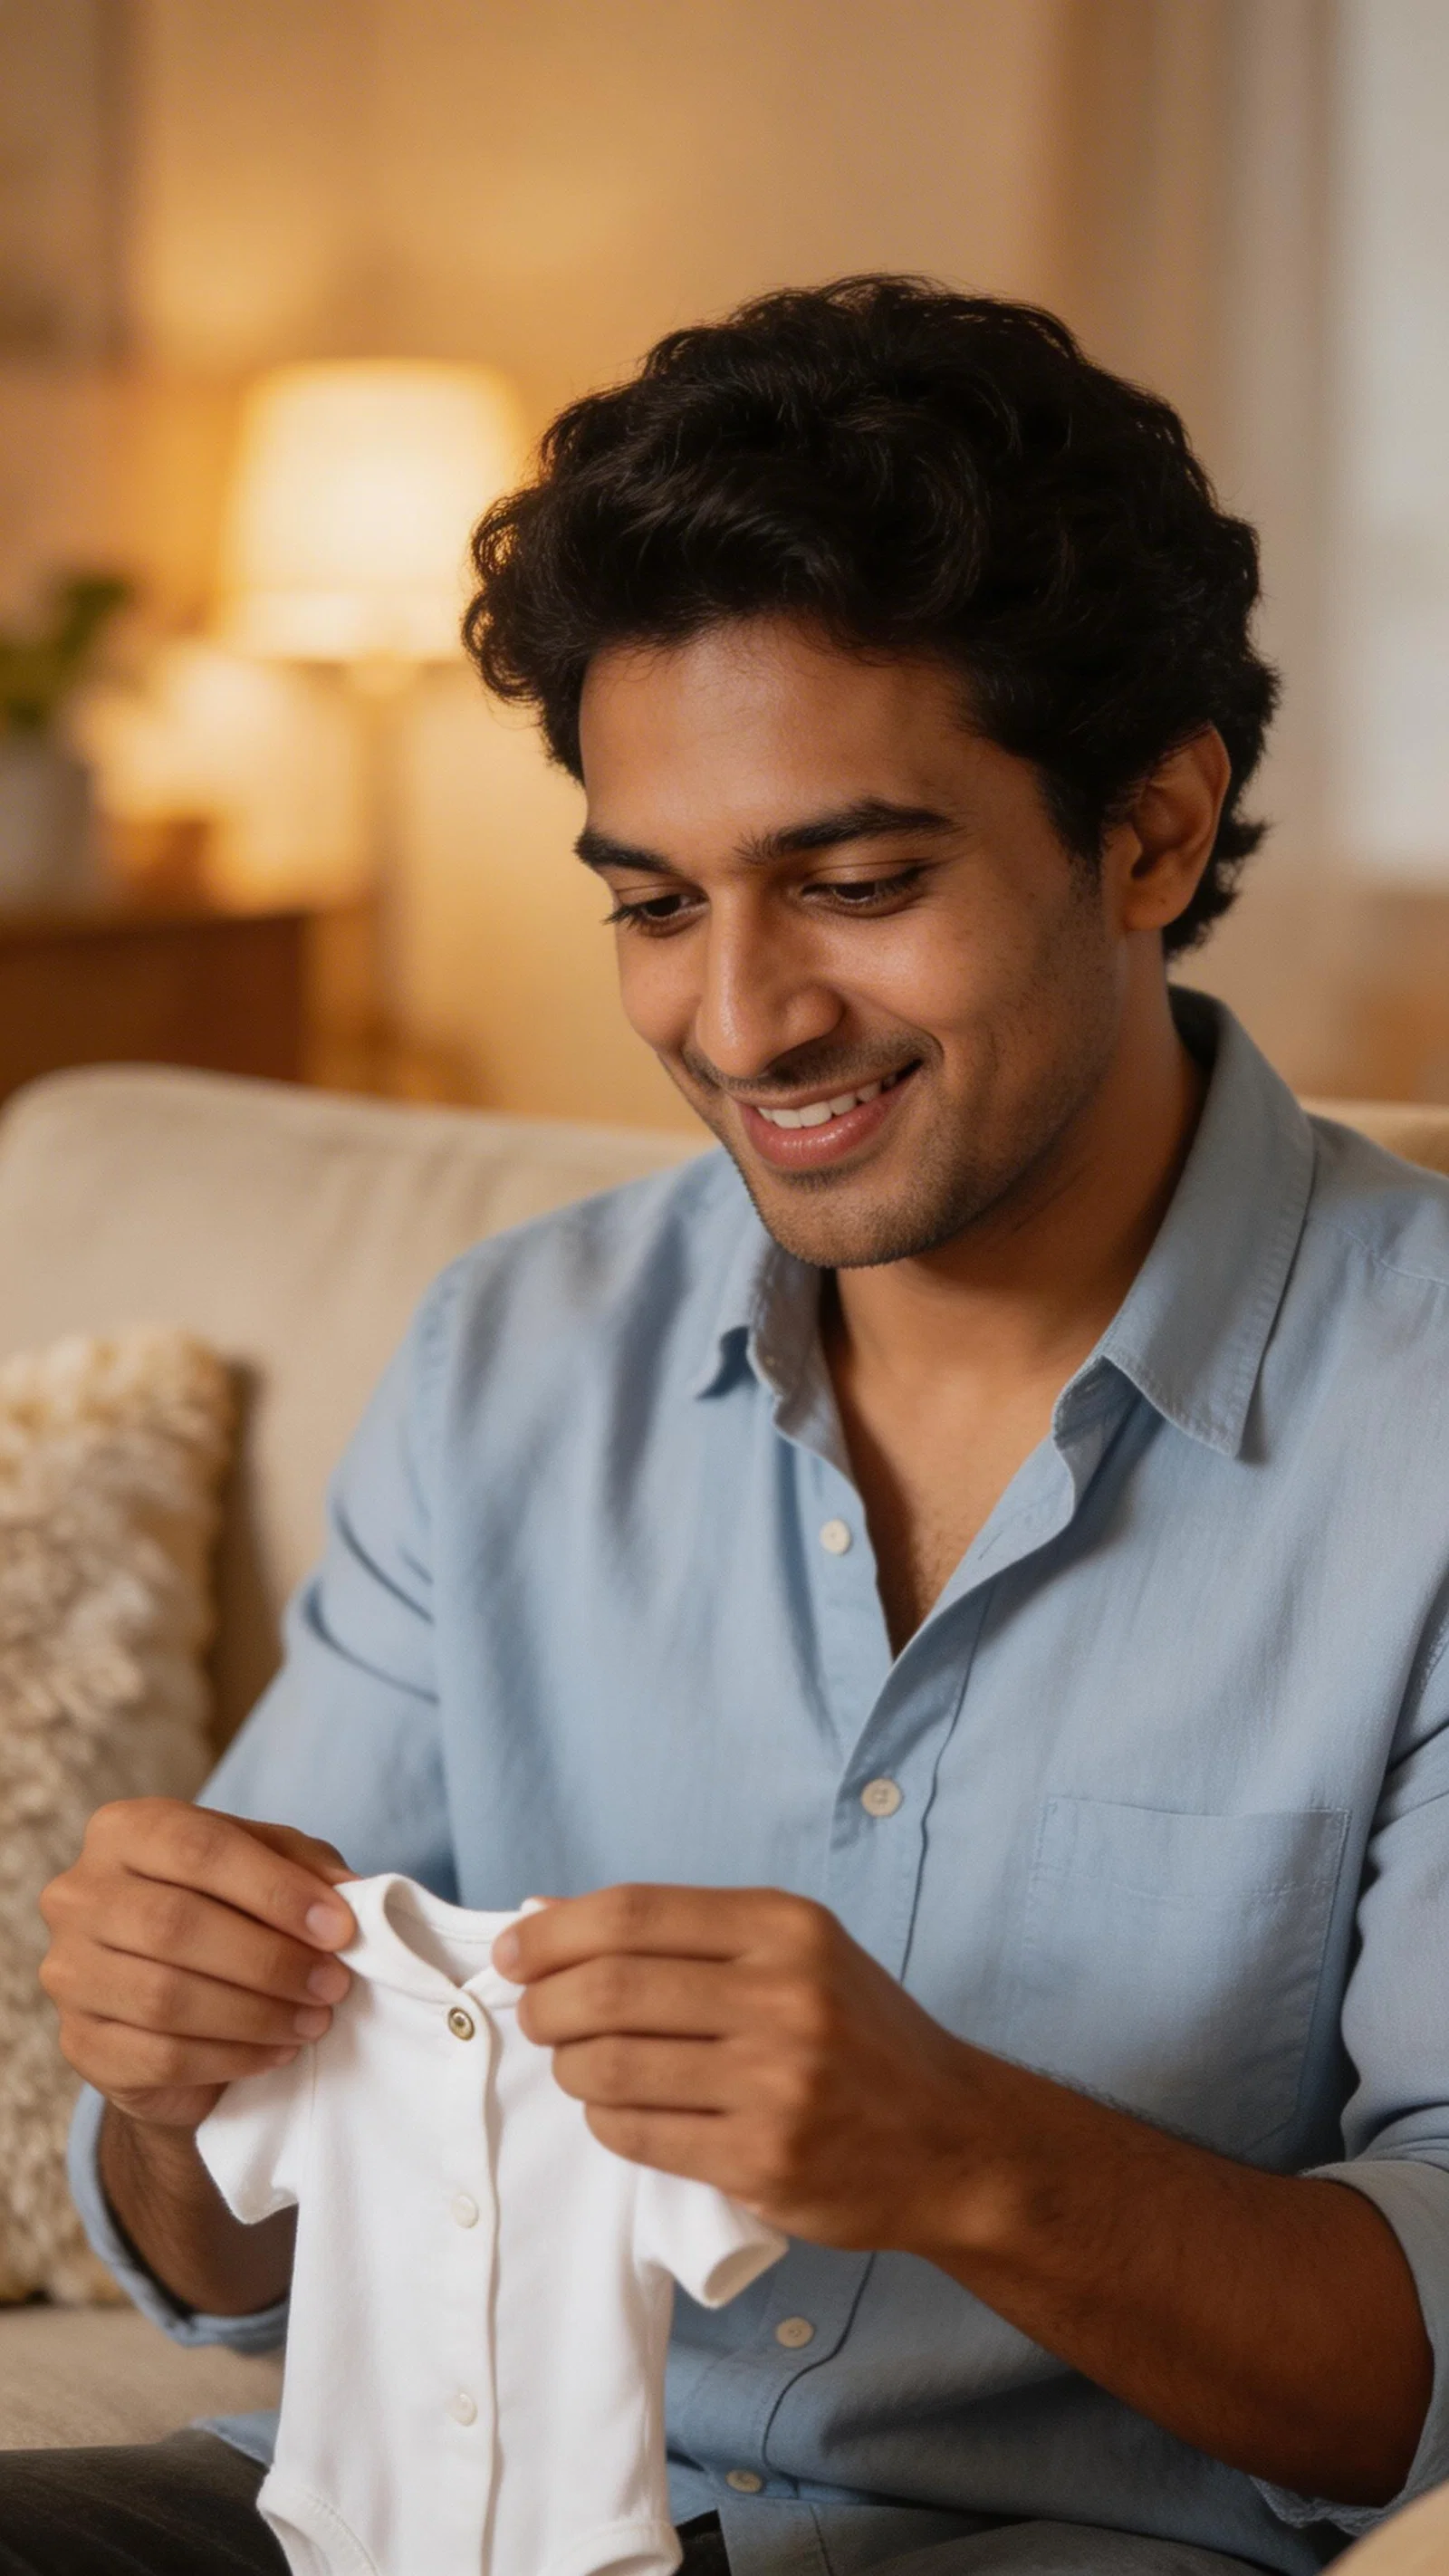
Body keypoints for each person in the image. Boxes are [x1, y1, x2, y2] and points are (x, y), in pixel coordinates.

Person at [24, 277, 1449, 2576]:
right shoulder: (511, 1359)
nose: (742, 1016)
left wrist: (967, 2151)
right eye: (654, 904)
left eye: (857, 884)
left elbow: (1430, 2364)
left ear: (1154, 834)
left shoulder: (1425, 1432)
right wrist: (173, 2080)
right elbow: (217, 2248)